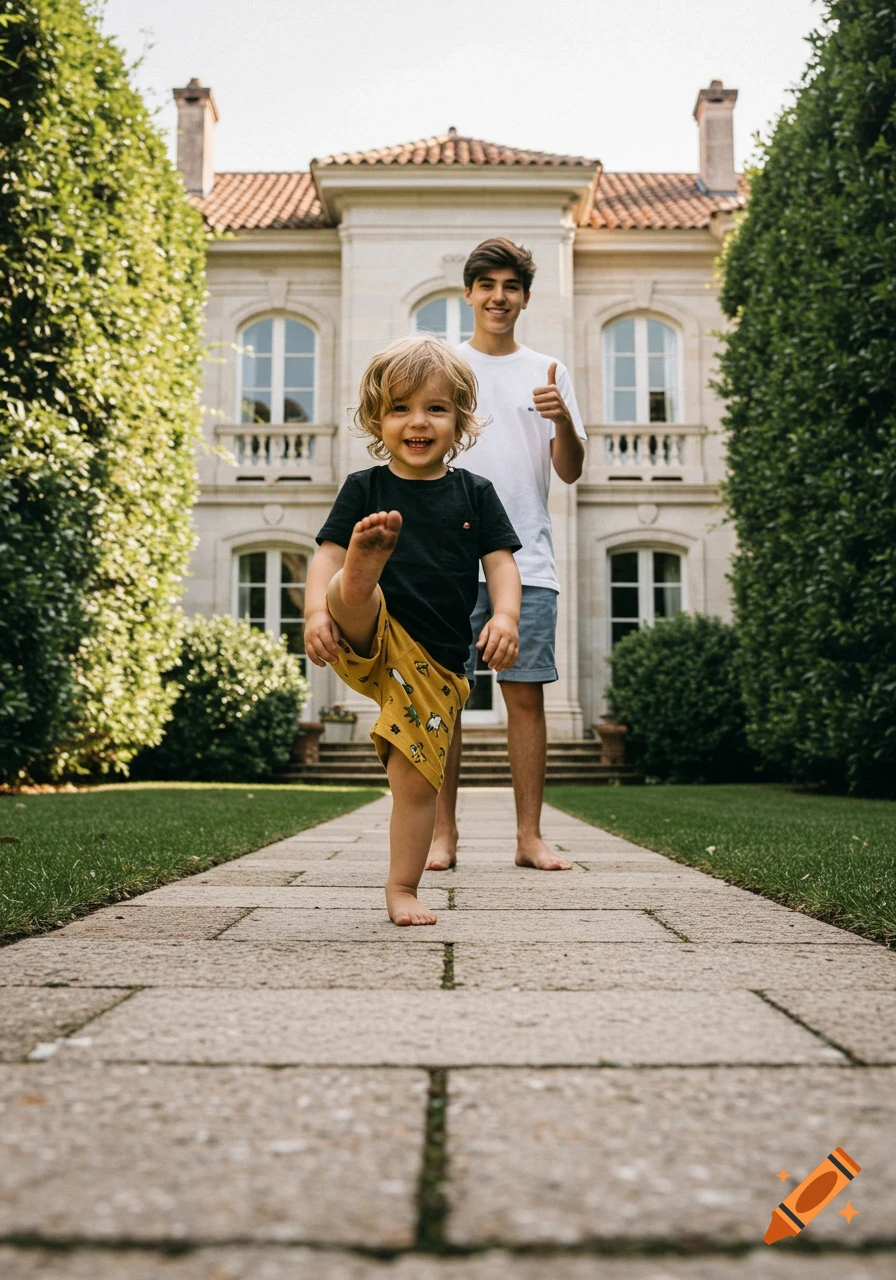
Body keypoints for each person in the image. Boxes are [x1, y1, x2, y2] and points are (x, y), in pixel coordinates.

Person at [303, 336, 522, 926]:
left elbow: (501, 564)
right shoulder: (364, 488)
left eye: (436, 408)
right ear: (378, 419)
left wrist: (503, 616)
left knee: (416, 781)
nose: (417, 421)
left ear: (461, 420)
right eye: (400, 408)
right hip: (368, 634)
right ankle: (361, 575)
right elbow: (321, 556)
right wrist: (314, 615)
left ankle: (403, 887)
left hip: (436, 665)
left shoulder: (474, 493)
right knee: (350, 582)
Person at [427, 237, 587, 873]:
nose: (499, 297)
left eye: (511, 287)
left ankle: (529, 839)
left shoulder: (547, 370)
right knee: (444, 699)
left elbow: (570, 471)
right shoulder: (444, 366)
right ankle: (443, 836)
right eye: (487, 285)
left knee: (525, 696)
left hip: (525, 561)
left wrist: (564, 422)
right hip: (444, 558)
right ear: (468, 293)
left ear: (523, 297)